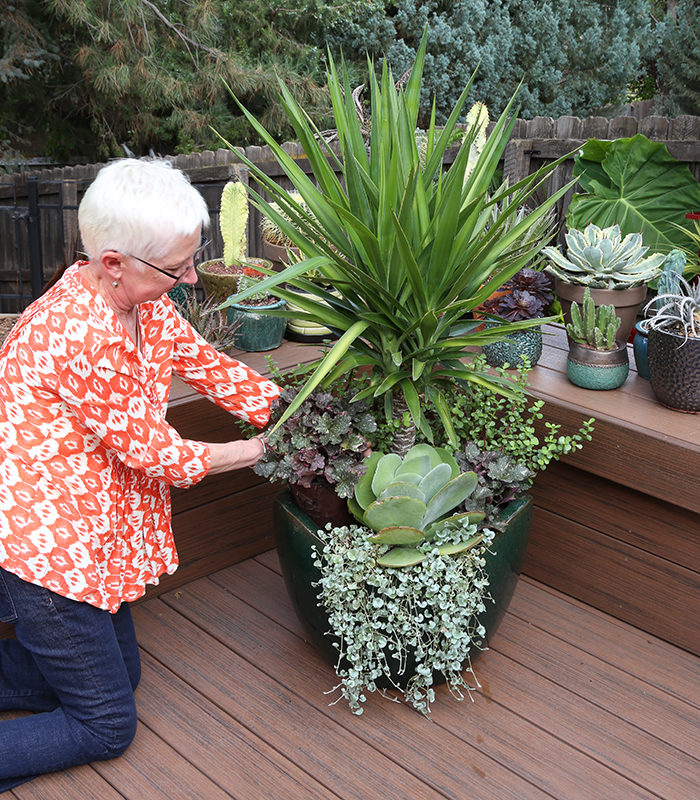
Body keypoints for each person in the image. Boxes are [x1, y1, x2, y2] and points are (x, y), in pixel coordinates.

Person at [0, 158, 281, 791]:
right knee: (106, 723)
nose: (188, 279)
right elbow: (155, 452)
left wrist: (296, 414)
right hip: (48, 558)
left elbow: (210, 366)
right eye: (175, 269)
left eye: (191, 261)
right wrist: (262, 452)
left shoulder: (143, 309)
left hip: (89, 539)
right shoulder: (76, 336)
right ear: (113, 262)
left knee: (120, 674)